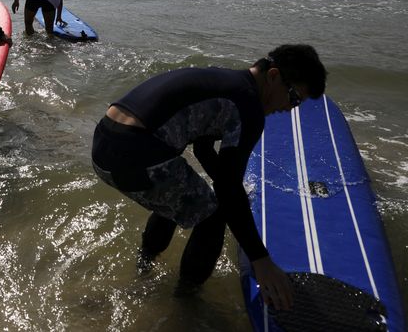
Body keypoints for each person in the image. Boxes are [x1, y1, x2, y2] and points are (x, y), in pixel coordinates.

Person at [91, 44, 327, 310]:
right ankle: (186, 302)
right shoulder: (248, 106)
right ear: (273, 76)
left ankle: (144, 267)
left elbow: (203, 148)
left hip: (105, 144)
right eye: (294, 97)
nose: (289, 108)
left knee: (175, 196)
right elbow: (227, 189)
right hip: (136, 155)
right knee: (214, 215)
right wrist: (261, 260)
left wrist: (234, 191)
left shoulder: (226, 82)